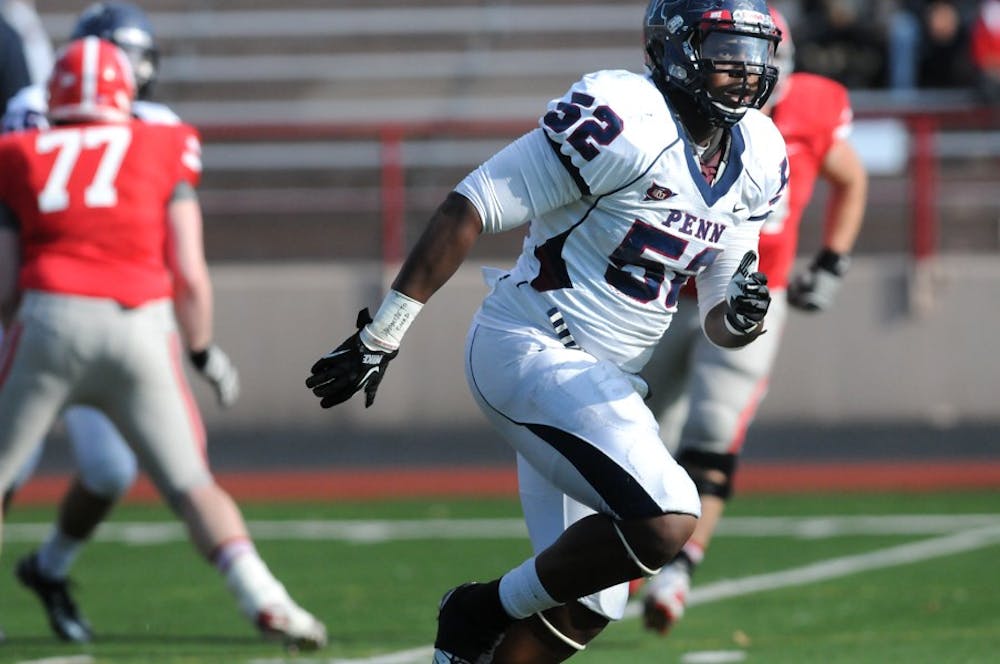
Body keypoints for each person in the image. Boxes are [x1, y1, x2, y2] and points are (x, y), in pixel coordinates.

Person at [306, 1, 785, 661]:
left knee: (592, 602)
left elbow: (719, 316)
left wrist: (742, 316)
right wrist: (381, 335)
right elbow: (473, 201)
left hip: (604, 381)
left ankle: (466, 642)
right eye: (725, 49)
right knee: (670, 517)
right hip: (531, 346)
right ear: (674, 50)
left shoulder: (760, 150)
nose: (745, 70)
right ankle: (477, 610)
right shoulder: (626, 119)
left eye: (754, 52)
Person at [0, 36, 327, 650]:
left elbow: (4, 280)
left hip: (49, 316)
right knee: (192, 484)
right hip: (140, 326)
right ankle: (266, 597)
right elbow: (190, 272)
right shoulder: (162, 143)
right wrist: (200, 348)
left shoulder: (19, 153)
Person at [637, 6, 868, 636]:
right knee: (629, 432)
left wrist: (833, 261)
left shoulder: (810, 111)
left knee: (712, 433)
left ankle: (679, 567)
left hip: (747, 301)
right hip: (658, 297)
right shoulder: (671, 112)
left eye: (758, 65)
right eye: (732, 64)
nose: (746, 81)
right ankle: (614, 562)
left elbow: (851, 176)